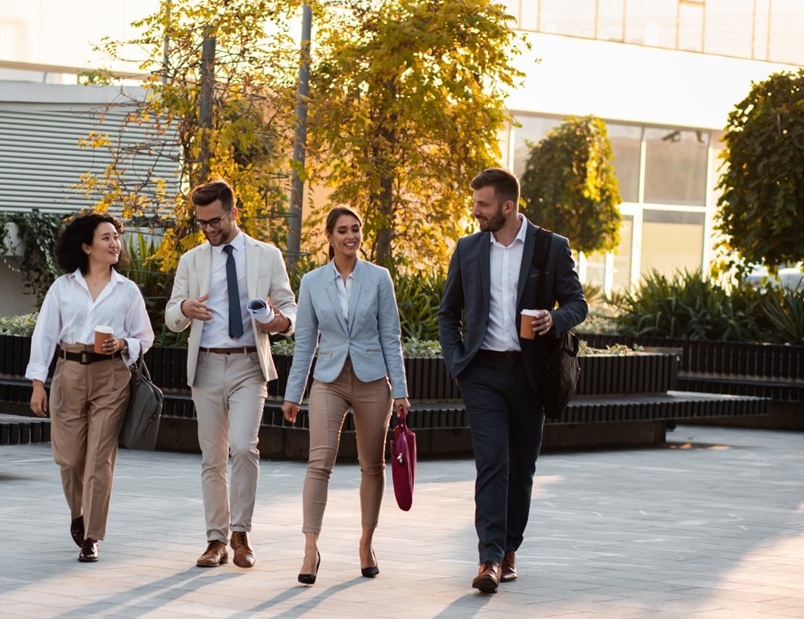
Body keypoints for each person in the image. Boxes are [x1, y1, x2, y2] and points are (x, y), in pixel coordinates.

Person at [439, 168, 587, 593]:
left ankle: (508, 549)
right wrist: (457, 362)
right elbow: (449, 313)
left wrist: (553, 319)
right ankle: (488, 558)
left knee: (521, 470)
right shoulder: (468, 249)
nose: (476, 212)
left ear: (507, 206)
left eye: (482, 205)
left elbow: (577, 302)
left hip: (529, 375)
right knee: (492, 464)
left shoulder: (550, 247)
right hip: (481, 373)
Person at [164, 179, 298, 568]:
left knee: (243, 446)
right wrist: (186, 309)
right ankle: (215, 540)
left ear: (233, 212)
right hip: (205, 364)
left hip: (247, 364)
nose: (208, 229)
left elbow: (290, 307)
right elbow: (172, 315)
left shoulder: (266, 255)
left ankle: (241, 533)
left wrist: (278, 321)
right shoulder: (192, 261)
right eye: (201, 223)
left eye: (215, 221)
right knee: (212, 457)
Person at [282, 206, 410, 585]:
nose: (350, 236)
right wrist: (294, 394)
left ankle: (366, 543)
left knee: (372, 465)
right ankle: (310, 549)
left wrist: (400, 390)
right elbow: (305, 341)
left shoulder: (378, 278)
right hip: (329, 379)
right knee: (318, 462)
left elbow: (391, 336)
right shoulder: (312, 282)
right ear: (329, 236)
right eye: (342, 230)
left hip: (374, 381)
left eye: (356, 229)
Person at [26, 213, 155, 563]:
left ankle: (92, 536)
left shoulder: (127, 290)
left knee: (100, 458)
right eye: (106, 238)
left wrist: (124, 344)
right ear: (86, 246)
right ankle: (77, 514)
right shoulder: (62, 287)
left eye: (116, 237)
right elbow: (45, 336)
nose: (115, 244)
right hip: (68, 372)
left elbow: (145, 336)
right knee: (68, 458)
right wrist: (38, 383)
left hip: (112, 376)